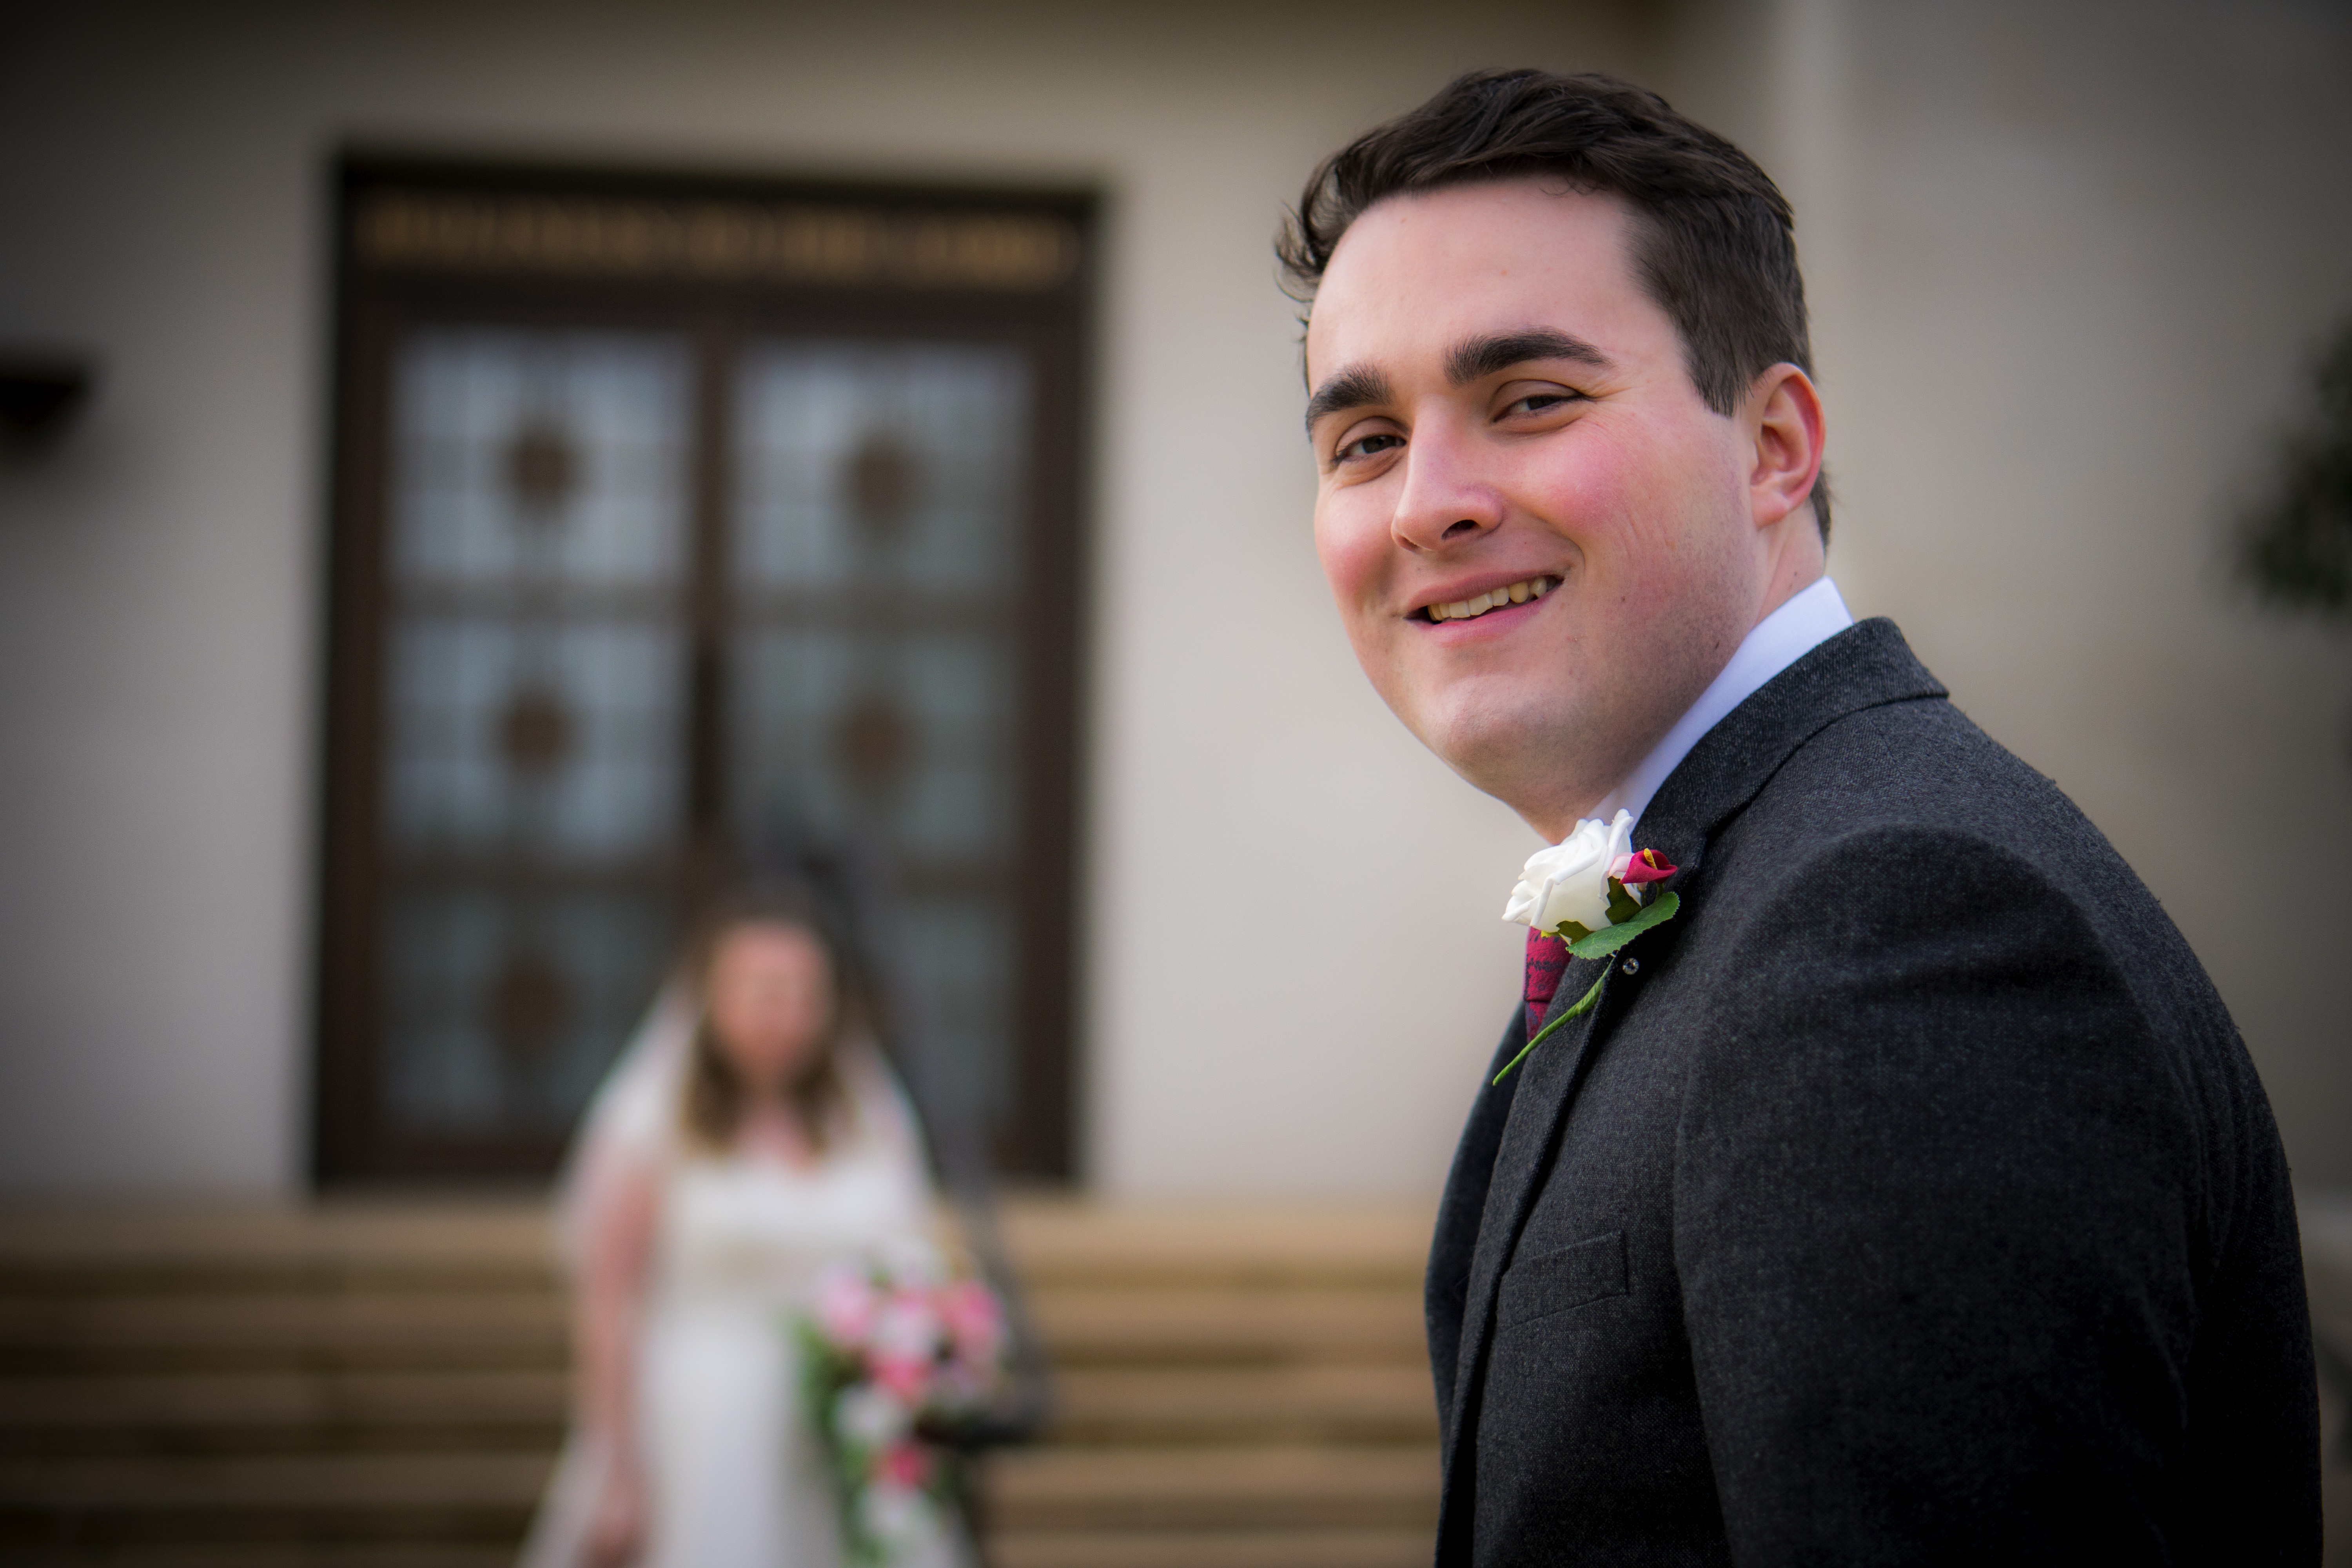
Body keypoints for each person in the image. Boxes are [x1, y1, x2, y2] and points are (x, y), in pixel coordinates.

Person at [1281, 69, 2320, 1562]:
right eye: (1365, 441)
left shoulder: (1899, 931)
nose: (1421, 504)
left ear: (1775, 446)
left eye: (1533, 401)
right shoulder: (1751, 880)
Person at [518, 892, 970, 1568]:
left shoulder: (866, 1121)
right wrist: (617, 1463)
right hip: (701, 1431)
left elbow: (913, 1255)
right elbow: (608, 1298)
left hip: (839, 1437)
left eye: (804, 994)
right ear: (712, 996)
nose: (786, 1015)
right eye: (765, 991)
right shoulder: (655, 1123)